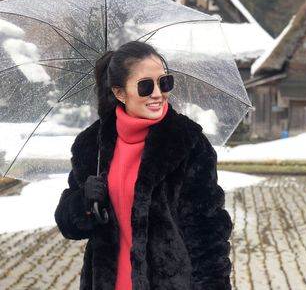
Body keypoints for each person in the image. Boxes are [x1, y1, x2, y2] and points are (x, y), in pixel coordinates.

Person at [55, 41, 233, 290]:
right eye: (146, 86)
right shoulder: (91, 145)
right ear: (119, 92)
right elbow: (69, 226)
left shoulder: (186, 142)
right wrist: (84, 202)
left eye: (164, 82)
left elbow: (208, 230)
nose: (158, 93)